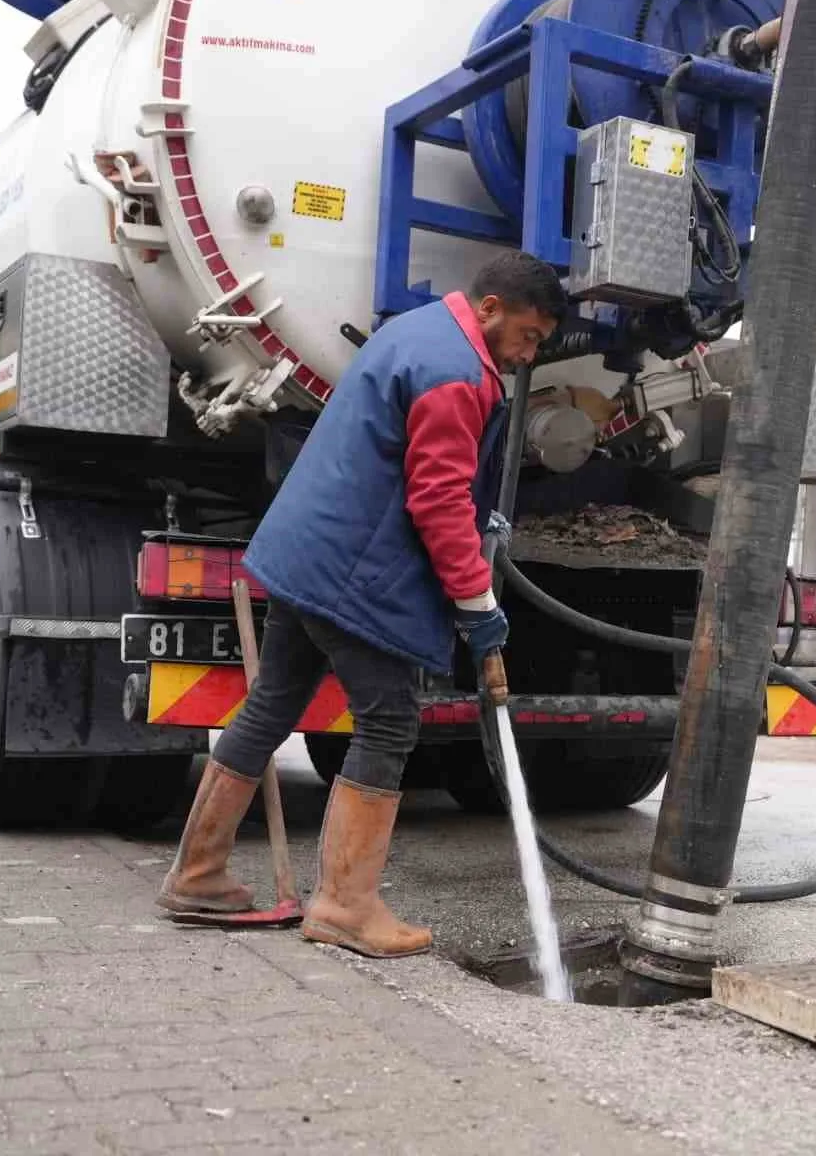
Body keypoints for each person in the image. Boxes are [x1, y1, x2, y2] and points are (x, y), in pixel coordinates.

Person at [157, 251, 565, 956]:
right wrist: (475, 604)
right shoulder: (458, 374)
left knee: (271, 702)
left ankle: (197, 874)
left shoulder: (417, 333)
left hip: (306, 552)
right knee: (388, 720)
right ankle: (345, 906)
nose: (531, 354)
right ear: (493, 308)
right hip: (354, 569)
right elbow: (435, 499)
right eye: (530, 336)